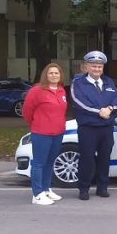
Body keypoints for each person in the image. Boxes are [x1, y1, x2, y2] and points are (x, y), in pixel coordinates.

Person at [70, 50, 117, 200]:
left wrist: (110, 109)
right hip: (88, 128)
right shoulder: (78, 83)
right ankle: (84, 189)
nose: (97, 69)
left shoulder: (108, 82)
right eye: (93, 66)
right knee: (86, 158)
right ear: (87, 67)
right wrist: (100, 111)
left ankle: (102, 187)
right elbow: (80, 103)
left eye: (99, 67)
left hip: (106, 128)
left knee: (105, 158)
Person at [22, 63, 68, 206]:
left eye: (56, 73)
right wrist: (37, 124)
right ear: (45, 75)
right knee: (39, 163)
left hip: (58, 132)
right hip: (41, 133)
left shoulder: (61, 91)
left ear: (60, 75)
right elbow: (27, 112)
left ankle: (46, 189)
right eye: (51, 73)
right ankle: (37, 194)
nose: (54, 75)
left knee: (50, 162)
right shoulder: (36, 91)